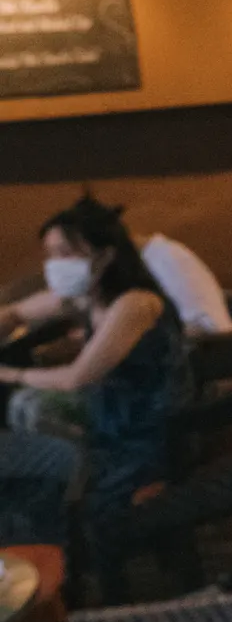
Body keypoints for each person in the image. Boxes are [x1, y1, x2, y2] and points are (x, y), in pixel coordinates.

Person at [0, 196, 191, 569]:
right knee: (27, 413)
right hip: (108, 412)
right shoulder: (86, 297)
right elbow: (16, 313)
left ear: (105, 256)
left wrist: (8, 374)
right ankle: (61, 513)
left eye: (65, 254)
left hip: (148, 429)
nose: (55, 265)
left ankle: (78, 551)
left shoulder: (134, 304)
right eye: (50, 255)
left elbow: (77, 377)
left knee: (31, 429)